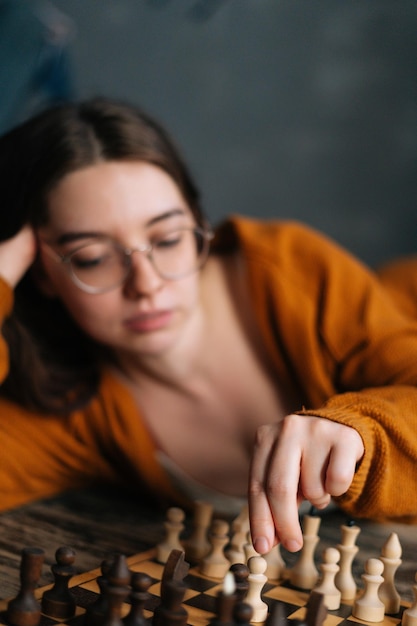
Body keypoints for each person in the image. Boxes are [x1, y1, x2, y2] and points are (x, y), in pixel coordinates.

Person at [1, 98, 417, 557]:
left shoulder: (294, 271)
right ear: (40, 271)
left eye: (168, 238)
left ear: (199, 223)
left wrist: (363, 436)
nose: (148, 284)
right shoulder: (68, 406)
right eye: (92, 258)